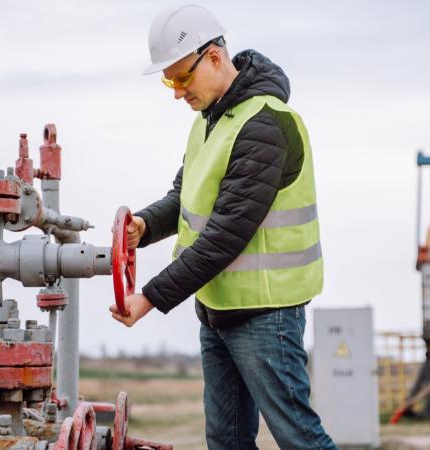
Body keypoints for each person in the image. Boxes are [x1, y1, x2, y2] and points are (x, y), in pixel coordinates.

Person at [109, 4, 337, 449]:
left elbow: (226, 234)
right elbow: (184, 197)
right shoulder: (208, 122)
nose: (176, 92)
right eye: (168, 80)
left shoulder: (265, 125)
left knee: (298, 437)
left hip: (267, 316)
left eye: (181, 78)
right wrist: (144, 226)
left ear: (214, 57)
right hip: (217, 312)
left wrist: (150, 298)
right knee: (226, 440)